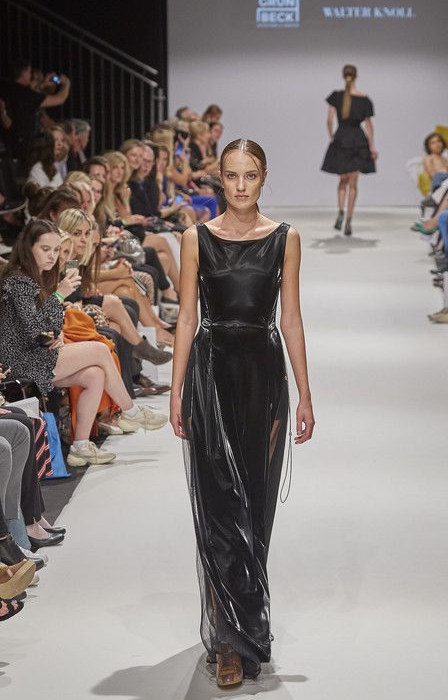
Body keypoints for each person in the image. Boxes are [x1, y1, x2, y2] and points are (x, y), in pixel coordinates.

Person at [170, 138, 315, 688]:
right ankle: (229, 645)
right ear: (220, 178)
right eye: (232, 175)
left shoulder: (284, 239)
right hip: (210, 375)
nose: (240, 186)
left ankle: (248, 628)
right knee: (218, 507)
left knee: (253, 505)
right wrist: (177, 389)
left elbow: (291, 319)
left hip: (262, 376)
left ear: (264, 177)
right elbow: (186, 318)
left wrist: (305, 394)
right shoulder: (195, 238)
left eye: (250, 175)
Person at [0, 219, 168, 467]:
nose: (52, 256)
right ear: (28, 247)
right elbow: (31, 326)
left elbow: (39, 324)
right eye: (46, 249)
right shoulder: (19, 281)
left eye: (56, 250)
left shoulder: (35, 277)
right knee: (100, 350)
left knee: (94, 375)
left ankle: (80, 447)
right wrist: (60, 294)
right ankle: (130, 411)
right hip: (18, 362)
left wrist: (55, 333)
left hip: (33, 353)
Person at [321, 64, 377, 235]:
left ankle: (340, 211)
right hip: (358, 141)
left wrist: (332, 136)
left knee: (342, 181)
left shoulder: (336, 96)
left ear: (343, 75)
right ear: (356, 76)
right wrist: (372, 146)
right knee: (353, 183)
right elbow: (369, 125)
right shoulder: (364, 99)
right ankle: (349, 220)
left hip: (341, 139)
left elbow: (329, 120)